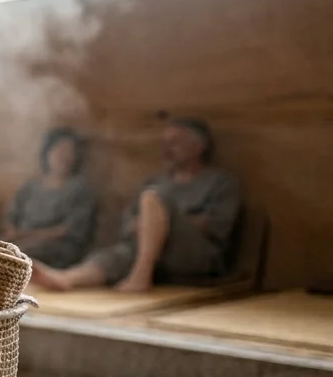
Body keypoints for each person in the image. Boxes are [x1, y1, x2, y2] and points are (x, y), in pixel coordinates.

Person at [33, 118, 241, 293]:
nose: (166, 148)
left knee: (153, 197)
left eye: (175, 142)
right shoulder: (155, 181)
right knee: (116, 254)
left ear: (198, 146)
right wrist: (150, 225)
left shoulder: (219, 182)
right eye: (165, 142)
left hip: (196, 256)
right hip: (151, 254)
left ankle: (141, 276)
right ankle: (67, 278)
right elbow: (130, 224)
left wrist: (163, 221)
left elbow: (217, 226)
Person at [3, 128, 98, 269]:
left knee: (18, 253)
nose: (64, 157)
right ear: (47, 152)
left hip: (57, 246)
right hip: (19, 240)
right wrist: (12, 232)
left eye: (70, 152)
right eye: (58, 150)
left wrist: (26, 236)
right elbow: (12, 217)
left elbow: (68, 230)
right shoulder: (31, 186)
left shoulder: (80, 190)